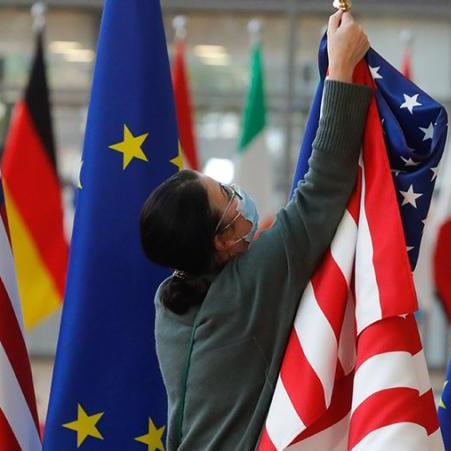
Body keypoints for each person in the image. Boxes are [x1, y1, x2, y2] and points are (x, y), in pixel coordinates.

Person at [140, 10, 371, 451]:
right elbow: (321, 190)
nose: (237, 194)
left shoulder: (168, 299)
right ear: (223, 241)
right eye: (226, 195)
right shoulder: (248, 285)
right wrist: (341, 70)